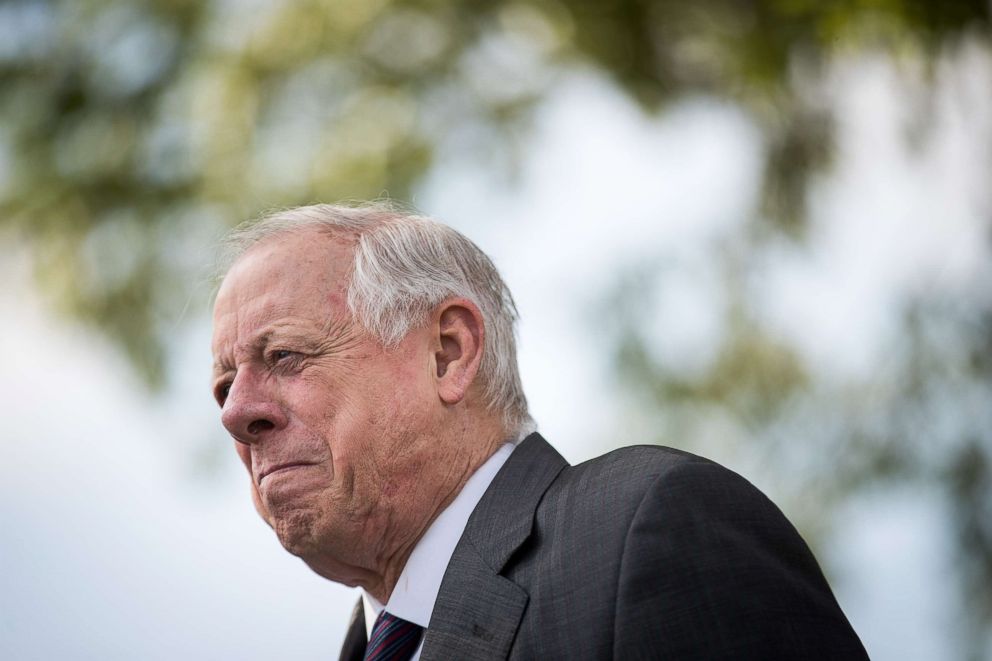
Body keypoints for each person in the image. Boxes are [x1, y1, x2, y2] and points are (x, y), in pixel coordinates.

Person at [211, 202, 868, 660]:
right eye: (223, 384)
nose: (237, 412)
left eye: (284, 356)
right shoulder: (372, 643)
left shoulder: (648, 527)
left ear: (448, 352)